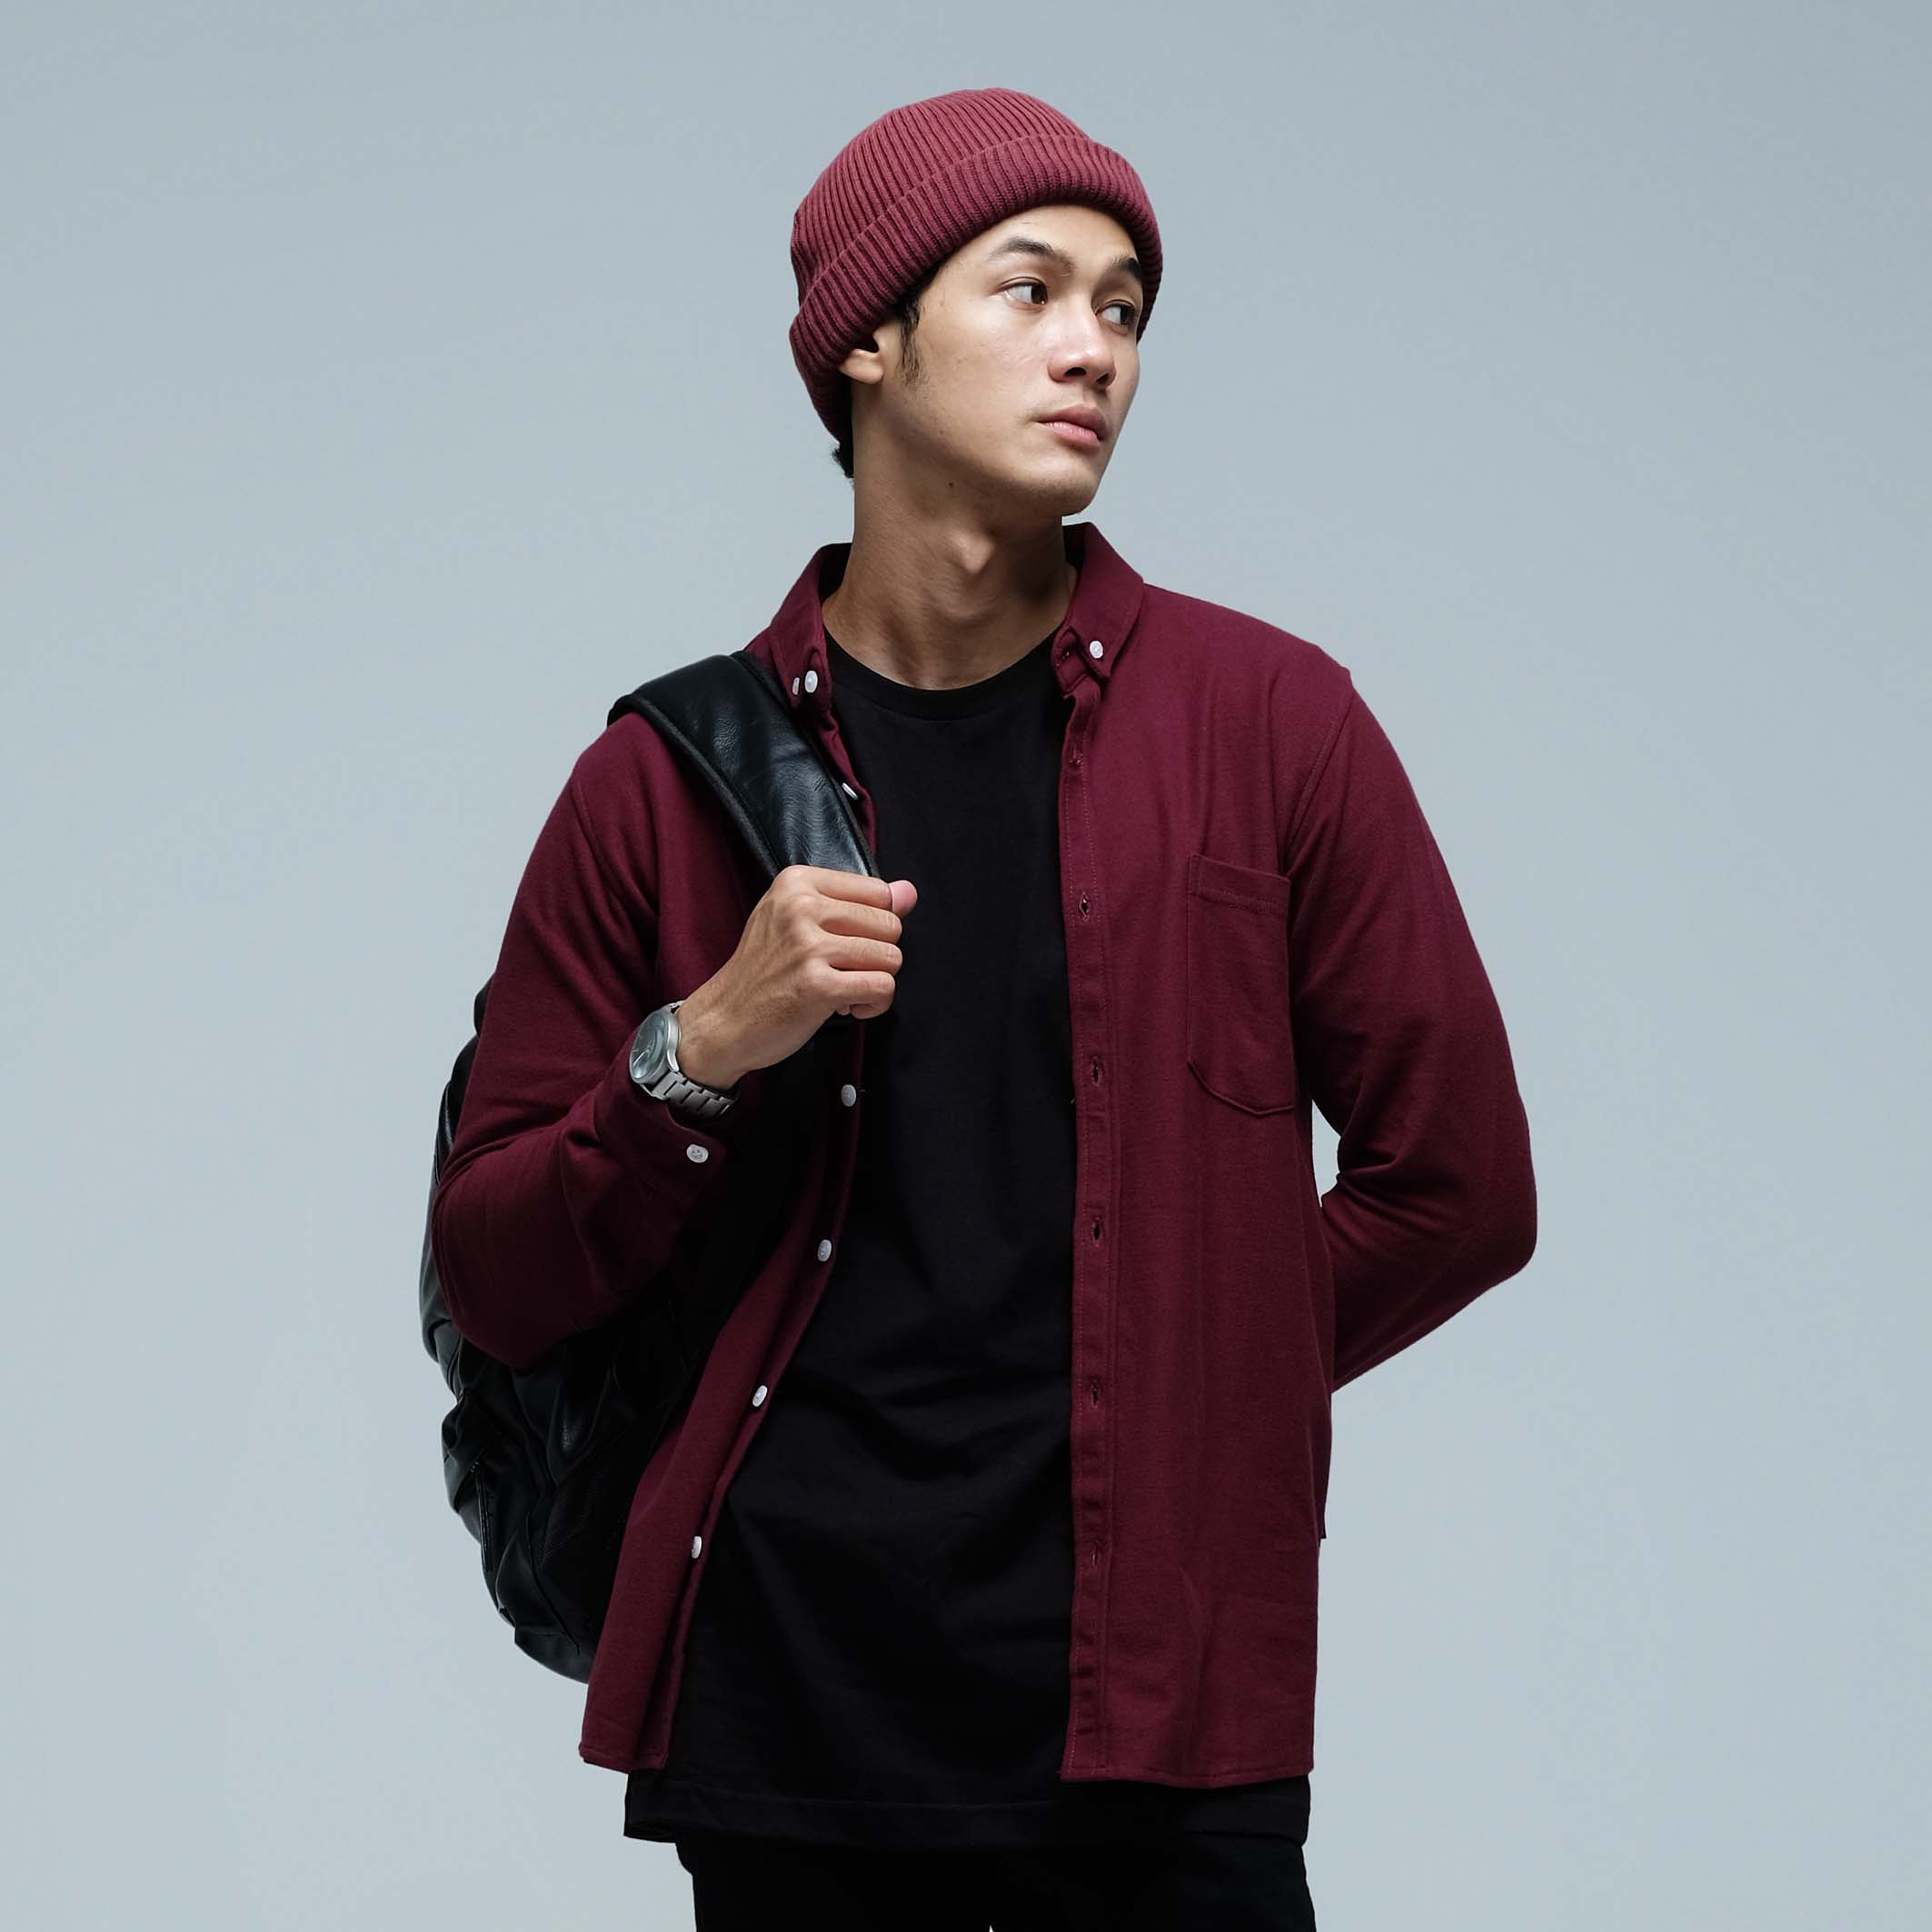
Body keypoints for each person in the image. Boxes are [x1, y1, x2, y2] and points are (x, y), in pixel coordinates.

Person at [429, 85, 1537, 1932]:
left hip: (1160, 1713)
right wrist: (698, 1048)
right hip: (787, 1695)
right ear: (866, 341)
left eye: (1124, 309)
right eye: (1029, 290)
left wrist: (1184, 1373)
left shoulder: (1271, 728)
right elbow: (498, 1274)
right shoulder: (662, 782)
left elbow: (1461, 1187)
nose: (1092, 348)